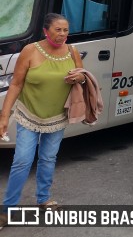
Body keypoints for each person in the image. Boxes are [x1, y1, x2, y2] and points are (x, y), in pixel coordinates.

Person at [0, 13, 84, 227]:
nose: (63, 34)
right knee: (22, 161)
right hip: (29, 114)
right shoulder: (30, 51)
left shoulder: (72, 51)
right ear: (46, 31)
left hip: (57, 117)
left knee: (48, 159)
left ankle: (44, 199)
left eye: (66, 30)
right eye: (58, 30)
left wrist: (80, 77)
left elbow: (82, 75)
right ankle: (7, 209)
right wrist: (4, 116)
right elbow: (16, 84)